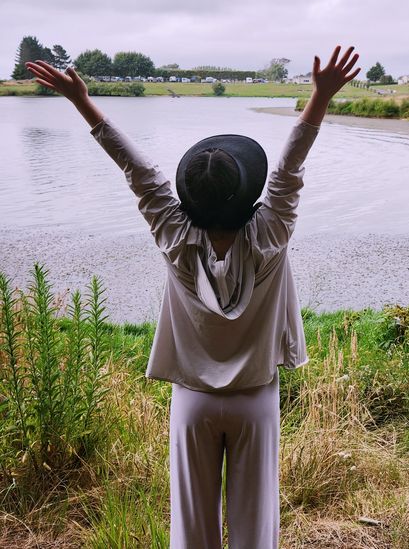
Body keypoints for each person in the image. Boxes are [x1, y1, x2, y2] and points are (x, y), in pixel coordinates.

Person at [26, 46, 360, 549]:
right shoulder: (270, 234)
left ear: (190, 197)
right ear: (247, 192)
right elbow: (289, 168)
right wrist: (319, 96)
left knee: (191, 531)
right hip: (255, 401)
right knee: (256, 529)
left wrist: (82, 101)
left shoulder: (174, 236)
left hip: (193, 404)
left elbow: (136, 170)